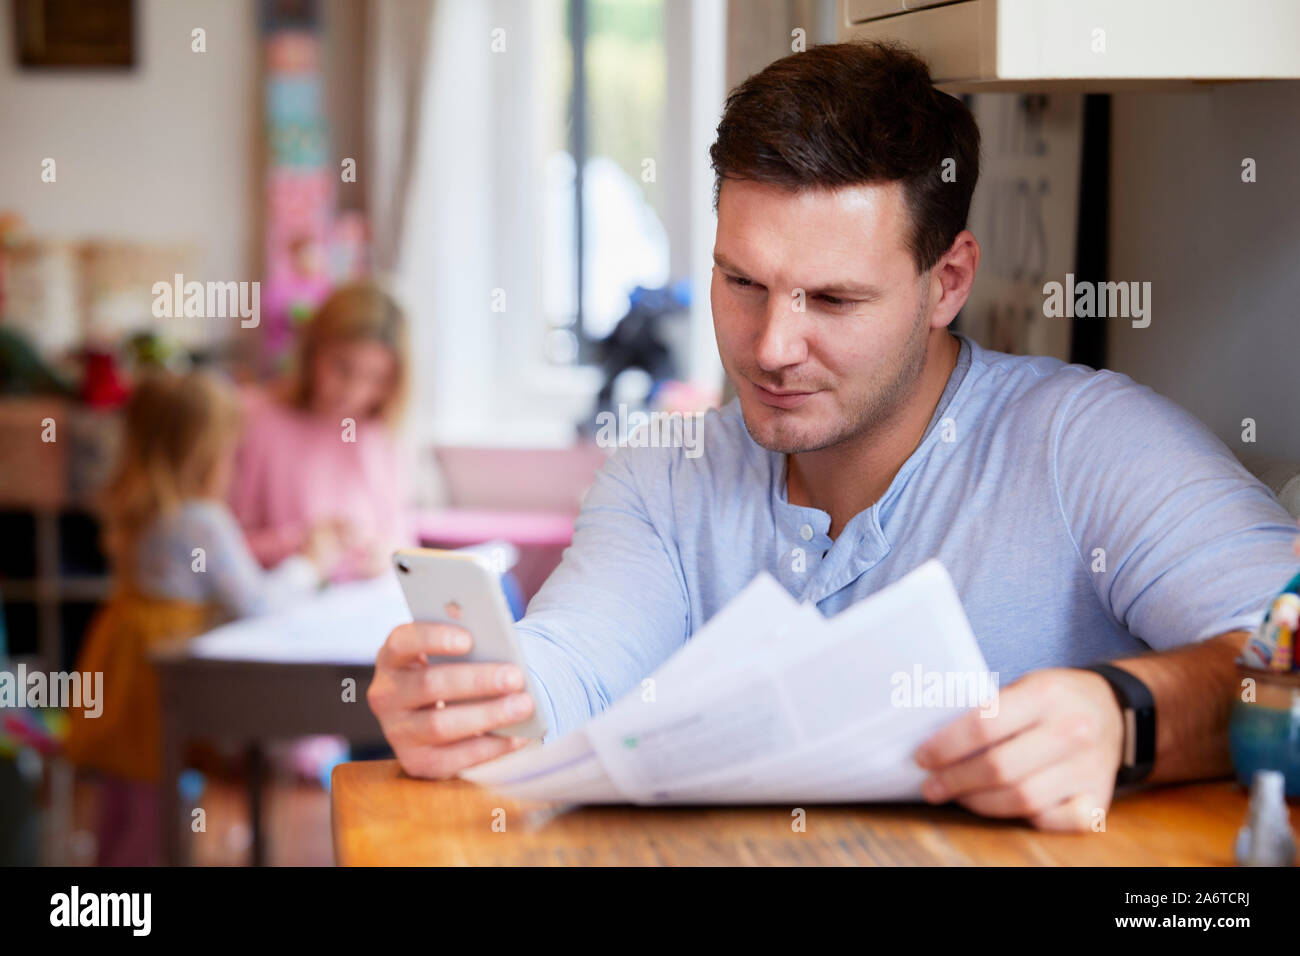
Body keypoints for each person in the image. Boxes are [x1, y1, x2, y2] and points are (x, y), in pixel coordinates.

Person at [366, 41, 1299, 830]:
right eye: (742, 283)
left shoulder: (1088, 446)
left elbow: (1286, 652)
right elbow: (575, 666)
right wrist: (477, 705)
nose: (772, 348)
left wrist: (1126, 717)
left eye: (836, 300)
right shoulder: (666, 475)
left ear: (948, 281)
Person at [65, 371, 338, 865]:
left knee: (122, 795)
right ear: (206, 453)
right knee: (159, 806)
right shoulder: (202, 522)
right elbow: (256, 603)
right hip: (165, 678)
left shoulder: (137, 506)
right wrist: (310, 565)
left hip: (122, 662)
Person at [229, 282, 414, 582]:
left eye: (375, 377)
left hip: (362, 602)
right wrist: (300, 545)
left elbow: (401, 535)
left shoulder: (377, 433)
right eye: (343, 368)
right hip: (284, 601)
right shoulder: (254, 418)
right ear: (312, 352)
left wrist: (387, 555)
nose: (354, 391)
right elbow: (220, 547)